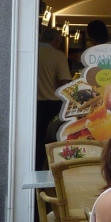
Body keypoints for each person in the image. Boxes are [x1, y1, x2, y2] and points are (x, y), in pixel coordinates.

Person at [36, 26, 73, 168]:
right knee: (51, 141)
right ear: (57, 41)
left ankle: (34, 167)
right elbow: (65, 84)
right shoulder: (57, 56)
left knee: (33, 141)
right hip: (51, 106)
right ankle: (49, 170)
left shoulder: (32, 52)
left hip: (31, 105)